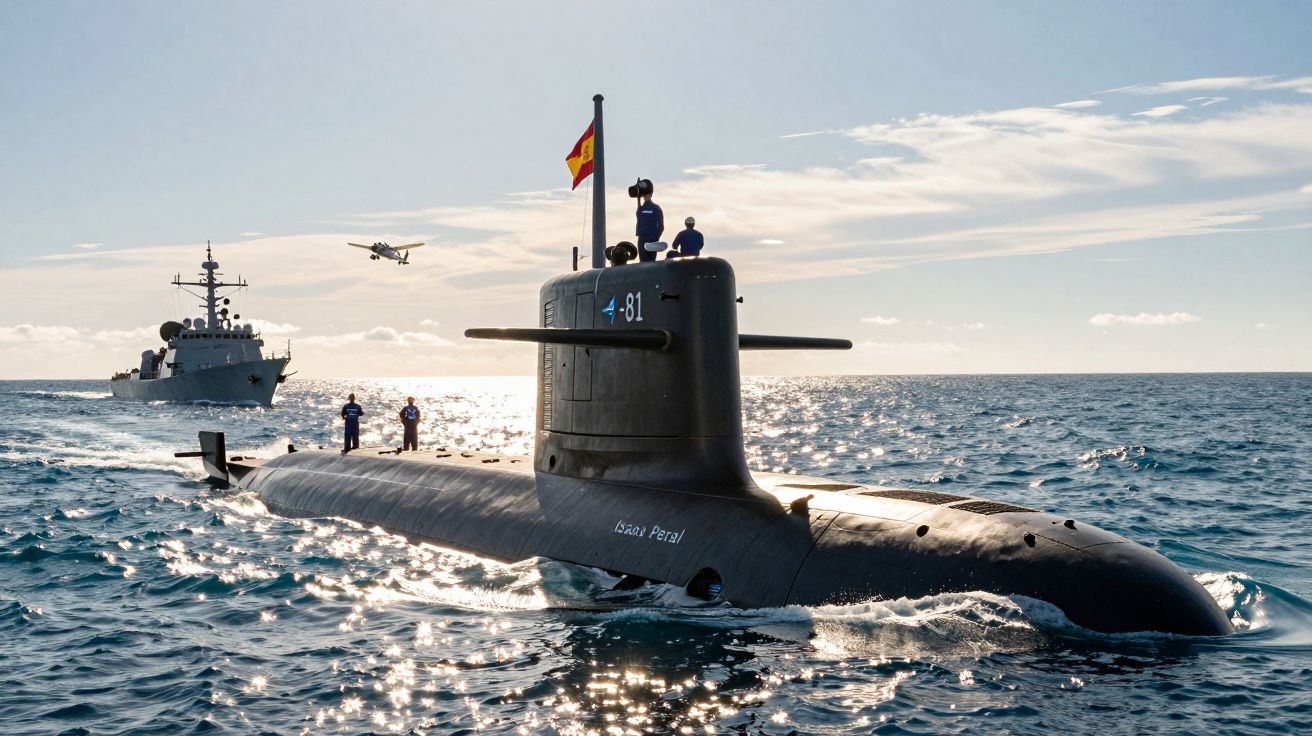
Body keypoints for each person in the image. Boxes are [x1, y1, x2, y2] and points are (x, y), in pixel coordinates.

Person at [635, 193, 664, 263]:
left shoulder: (656, 208)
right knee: (643, 261)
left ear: (651, 195)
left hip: (651, 238)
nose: (646, 196)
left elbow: (661, 226)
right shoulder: (641, 208)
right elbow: (638, 216)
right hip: (642, 238)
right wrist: (638, 197)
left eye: (647, 194)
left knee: (651, 261)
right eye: (645, 195)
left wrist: (656, 238)